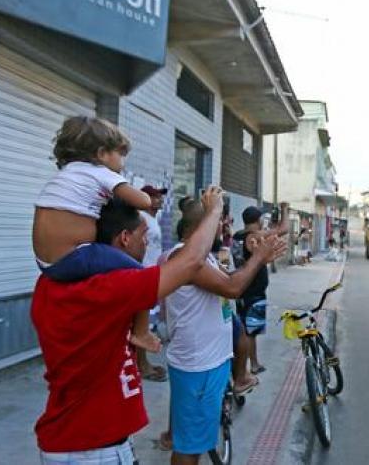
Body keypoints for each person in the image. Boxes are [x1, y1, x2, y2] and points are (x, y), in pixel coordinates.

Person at [31, 187, 226, 464]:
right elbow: (191, 261)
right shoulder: (107, 288)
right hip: (92, 449)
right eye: (143, 237)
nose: (147, 245)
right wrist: (215, 210)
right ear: (124, 238)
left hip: (75, 440)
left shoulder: (52, 284)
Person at [162, 198, 284, 464]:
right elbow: (232, 288)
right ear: (202, 225)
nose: (224, 226)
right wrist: (259, 258)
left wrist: (255, 259)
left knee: (192, 437)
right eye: (219, 221)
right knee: (189, 448)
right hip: (200, 365)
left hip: (207, 361)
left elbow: (228, 280)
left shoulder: (198, 256)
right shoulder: (186, 258)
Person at [33, 115, 158, 353]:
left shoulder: (67, 173)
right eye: (121, 154)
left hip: (45, 262)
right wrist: (129, 189)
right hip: (72, 257)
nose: (122, 161)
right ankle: (141, 333)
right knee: (142, 275)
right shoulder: (101, 173)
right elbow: (143, 201)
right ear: (102, 154)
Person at [233, 203, 288, 374]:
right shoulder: (253, 237)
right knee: (251, 331)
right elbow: (284, 228)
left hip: (243, 287)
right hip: (253, 291)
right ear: (258, 220)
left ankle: (251, 363)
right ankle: (253, 365)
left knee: (246, 329)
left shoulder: (238, 236)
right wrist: (285, 210)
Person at [139, 184, 169, 382]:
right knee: (142, 325)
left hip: (151, 275)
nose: (159, 200)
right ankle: (142, 365)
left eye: (160, 196)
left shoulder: (153, 219)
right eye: (155, 196)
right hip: (142, 274)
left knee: (146, 323)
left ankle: (142, 363)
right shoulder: (141, 218)